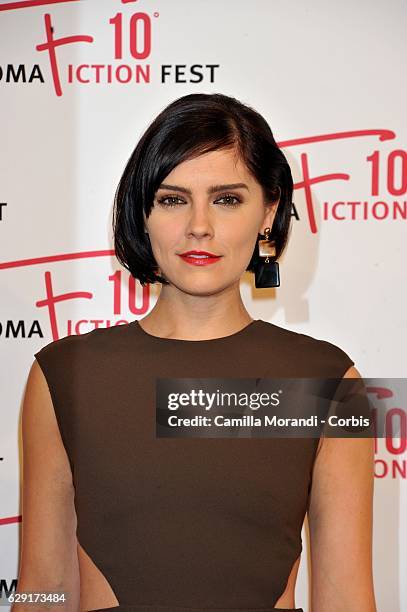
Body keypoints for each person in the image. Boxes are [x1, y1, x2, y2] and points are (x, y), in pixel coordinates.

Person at [15, 93, 376, 612]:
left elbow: (345, 597)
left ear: (269, 211)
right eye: (172, 198)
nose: (199, 225)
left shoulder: (329, 382)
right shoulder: (64, 374)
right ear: (142, 213)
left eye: (227, 199)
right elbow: (43, 588)